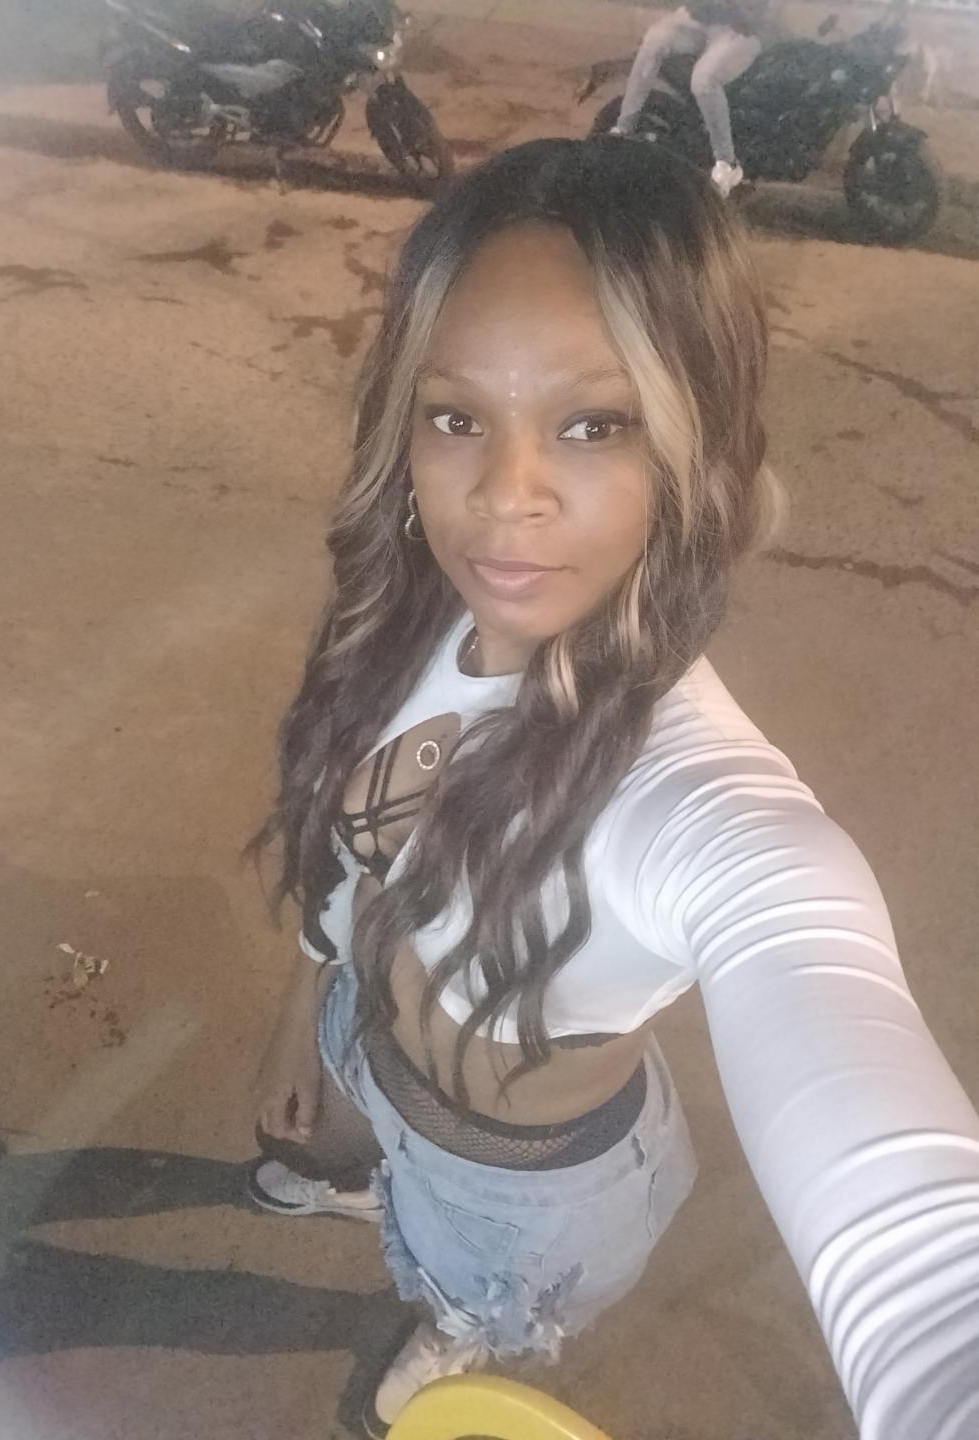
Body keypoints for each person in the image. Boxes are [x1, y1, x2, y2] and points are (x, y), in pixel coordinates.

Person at [249, 138, 979, 1437]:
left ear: (692, 447)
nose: (503, 498)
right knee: (377, 1164)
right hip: (372, 1052)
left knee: (453, 1303)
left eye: (592, 425)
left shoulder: (692, 804)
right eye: (455, 417)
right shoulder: (409, 618)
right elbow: (351, 860)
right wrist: (305, 1012)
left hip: (518, 1198)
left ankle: (451, 1320)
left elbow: (902, 1211)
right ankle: (374, 1186)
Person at [610, 0, 767, 195]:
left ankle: (727, 164)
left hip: (741, 29)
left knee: (703, 80)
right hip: (700, 18)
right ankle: (624, 128)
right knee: (654, 40)